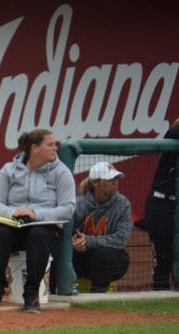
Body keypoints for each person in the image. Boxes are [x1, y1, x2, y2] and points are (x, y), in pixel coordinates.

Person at [0, 128, 75, 313]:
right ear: (34, 148)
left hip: (45, 228)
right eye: (50, 144)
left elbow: (68, 209)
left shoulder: (62, 172)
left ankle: (32, 295)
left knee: (38, 235)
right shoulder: (9, 170)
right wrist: (13, 212)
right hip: (14, 225)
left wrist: (35, 214)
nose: (55, 148)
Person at [69, 162, 132, 292]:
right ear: (95, 183)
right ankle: (59, 292)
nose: (115, 182)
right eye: (110, 179)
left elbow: (121, 240)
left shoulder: (123, 204)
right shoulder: (78, 204)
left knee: (104, 256)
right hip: (81, 255)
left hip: (111, 257)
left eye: (116, 178)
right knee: (61, 256)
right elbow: (63, 233)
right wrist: (73, 243)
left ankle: (98, 296)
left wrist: (89, 241)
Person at [141, 118, 179, 290]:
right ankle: (160, 297)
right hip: (161, 204)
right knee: (164, 259)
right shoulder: (174, 135)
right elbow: (173, 131)